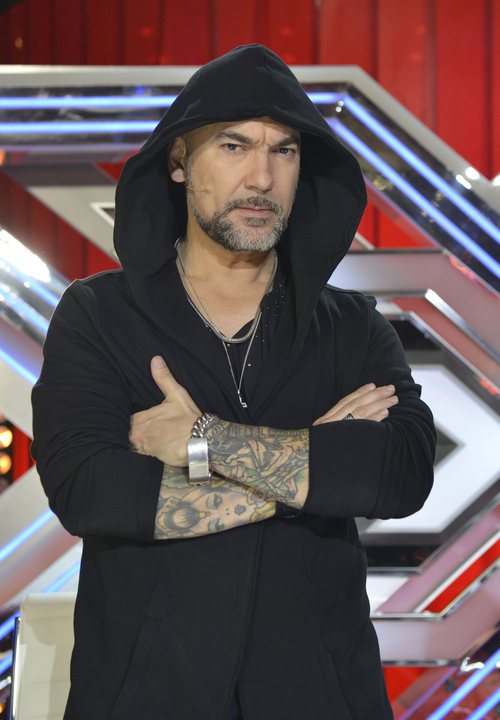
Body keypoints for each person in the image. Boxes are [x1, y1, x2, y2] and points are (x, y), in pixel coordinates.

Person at [31, 44, 436, 720]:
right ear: (179, 162)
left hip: (322, 701)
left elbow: (399, 472)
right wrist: (315, 471)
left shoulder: (351, 325)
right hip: (144, 701)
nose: (262, 177)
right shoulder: (98, 314)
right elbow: (91, 491)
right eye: (233, 146)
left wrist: (203, 439)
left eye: (284, 151)